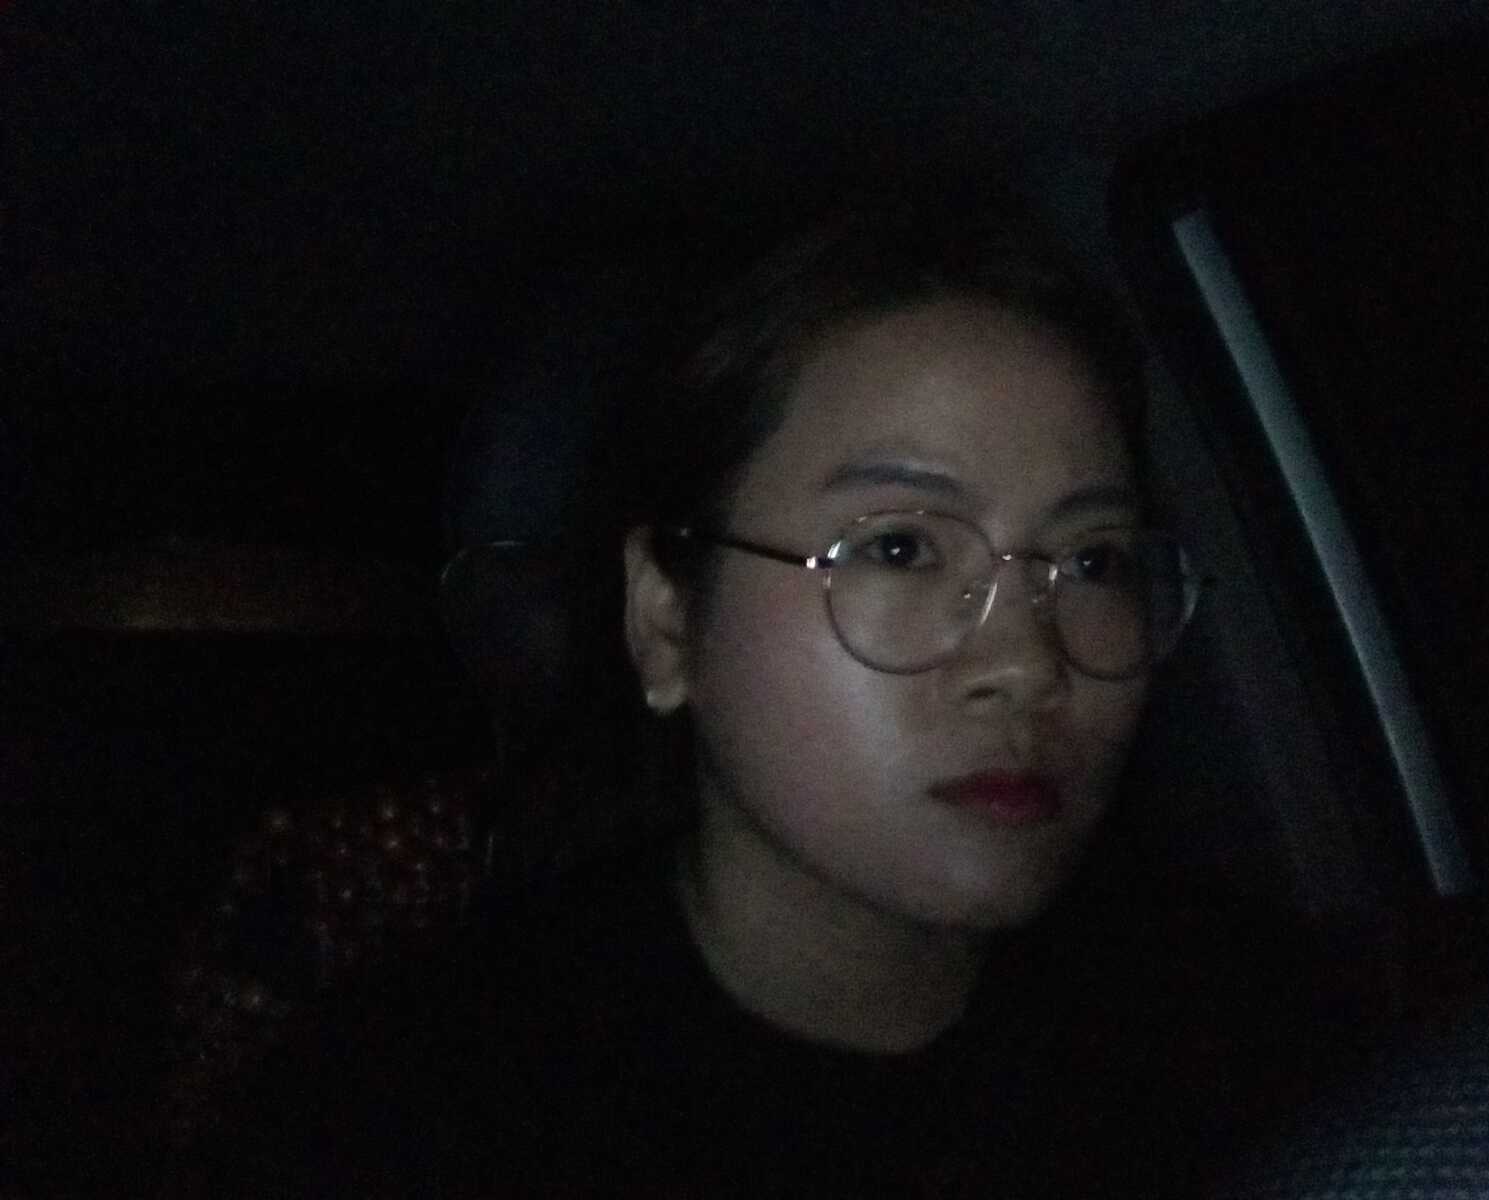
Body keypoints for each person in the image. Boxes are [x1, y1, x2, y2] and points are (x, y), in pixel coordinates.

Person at [186, 189, 1297, 1198]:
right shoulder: (399, 1121)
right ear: (669, 622)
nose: (1029, 664)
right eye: (900, 548)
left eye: (1094, 560)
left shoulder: (1244, 1048)